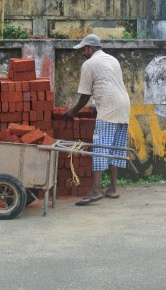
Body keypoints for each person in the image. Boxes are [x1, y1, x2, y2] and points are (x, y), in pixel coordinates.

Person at [64, 34, 131, 206]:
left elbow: (85, 94)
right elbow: (108, 85)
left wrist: (73, 111)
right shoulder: (112, 60)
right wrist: (96, 104)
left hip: (108, 110)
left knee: (100, 148)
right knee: (116, 148)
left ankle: (95, 190)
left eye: (83, 50)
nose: (82, 53)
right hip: (124, 106)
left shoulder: (89, 64)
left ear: (91, 48)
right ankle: (113, 188)